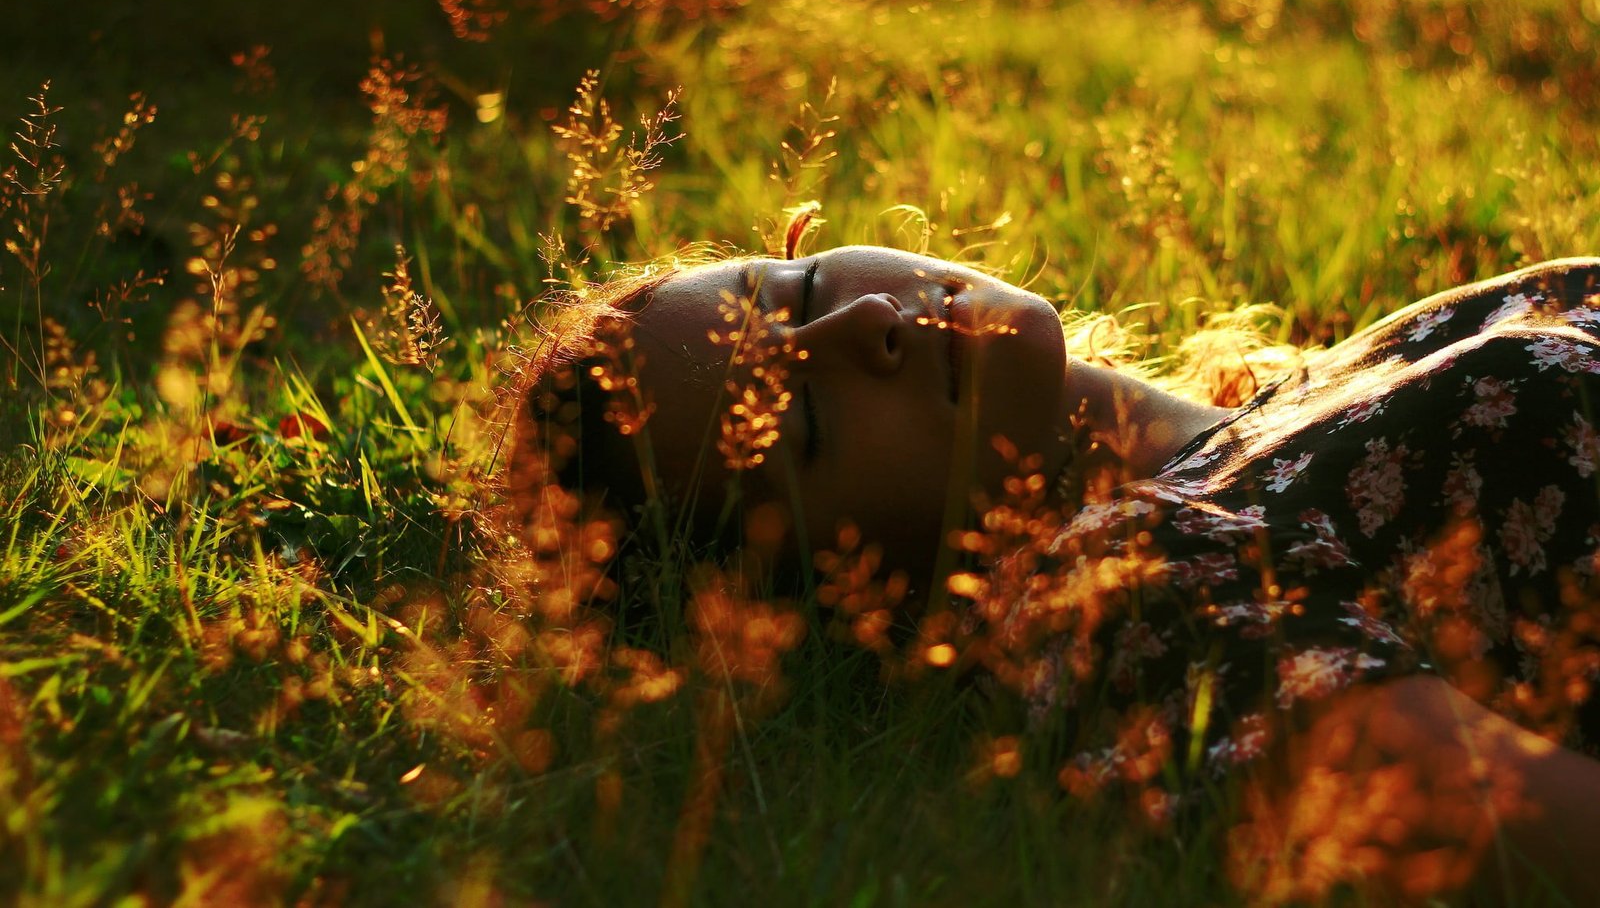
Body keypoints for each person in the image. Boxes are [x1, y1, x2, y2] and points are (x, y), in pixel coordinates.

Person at [507, 243, 1600, 900]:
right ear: (815, 581)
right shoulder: (1134, 599)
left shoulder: (1318, 384)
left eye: (795, 293)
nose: (871, 323)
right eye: (799, 422)